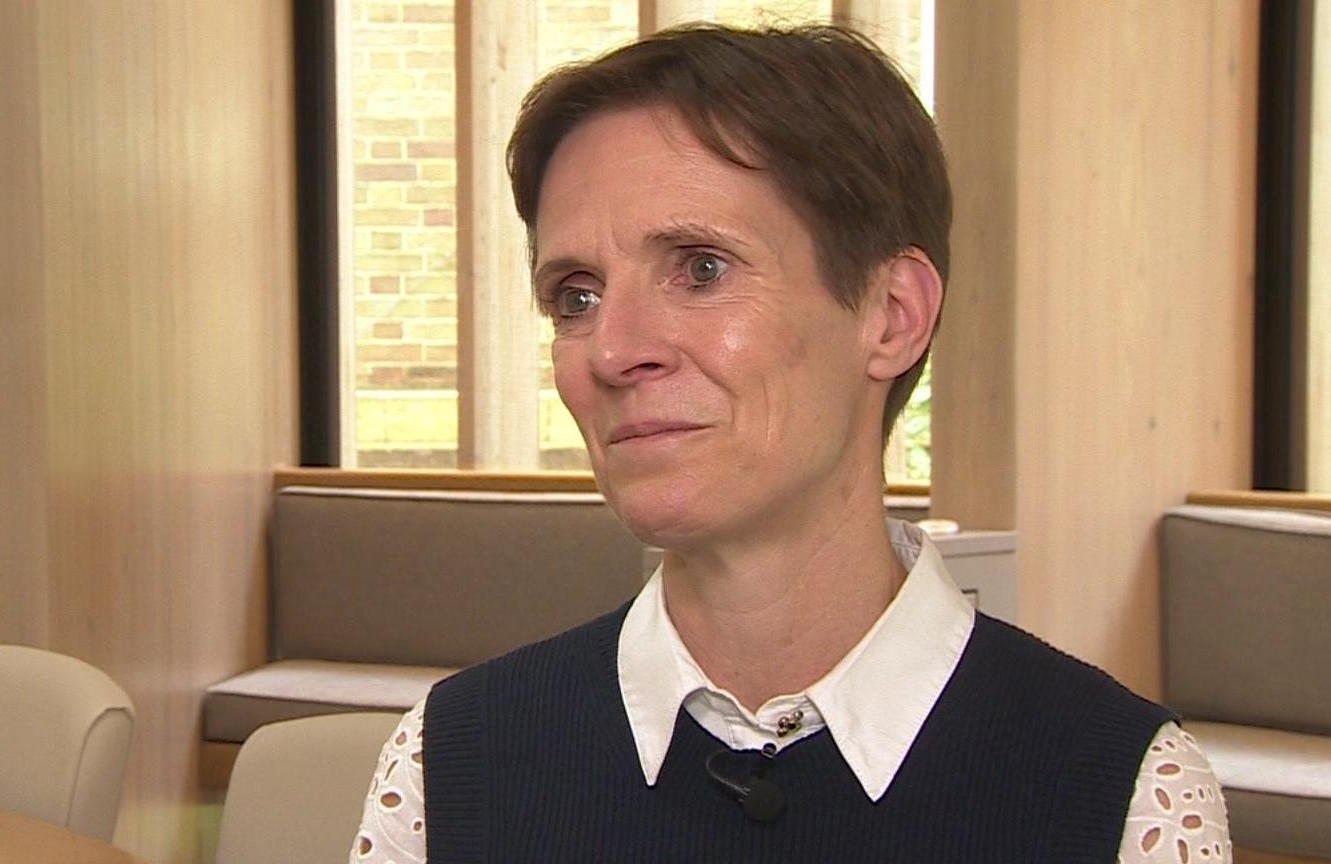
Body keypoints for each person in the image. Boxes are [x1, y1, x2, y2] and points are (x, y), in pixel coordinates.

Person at [352, 22, 1230, 863]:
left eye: (701, 269)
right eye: (576, 295)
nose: (613, 351)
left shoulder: (1119, 793)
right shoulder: (451, 761)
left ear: (892, 317)